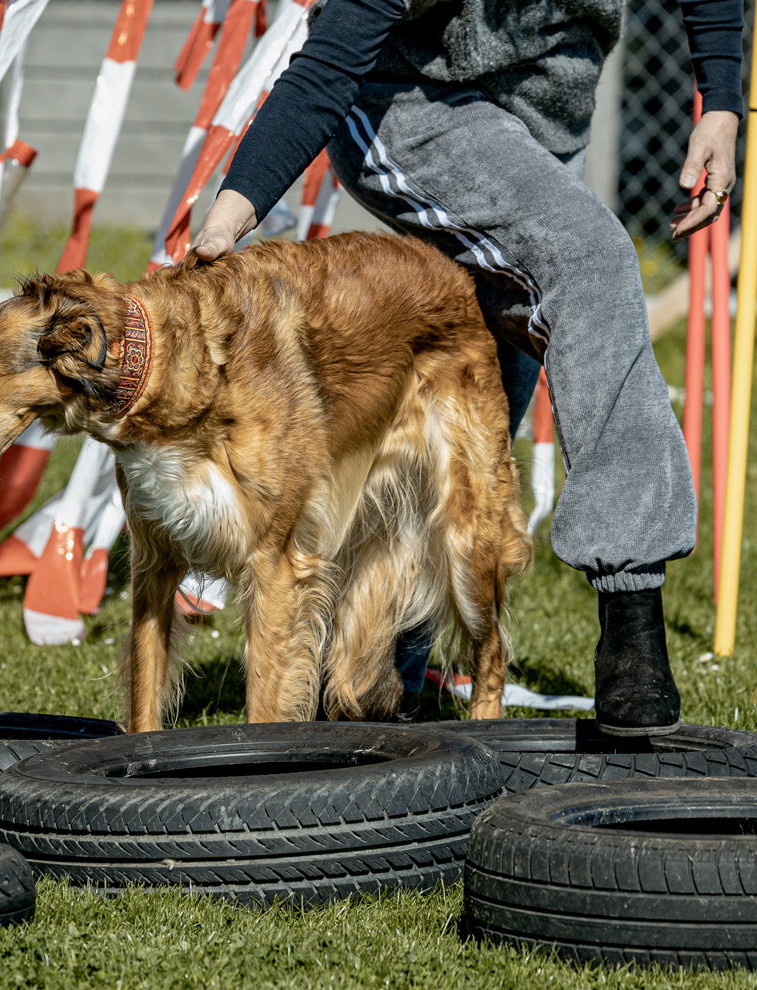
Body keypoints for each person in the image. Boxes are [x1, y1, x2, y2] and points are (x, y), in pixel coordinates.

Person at [191, 0, 744, 736]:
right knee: (590, 260)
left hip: (547, 124)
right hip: (412, 107)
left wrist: (722, 100)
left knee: (480, 395)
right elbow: (327, 68)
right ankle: (632, 612)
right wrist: (230, 216)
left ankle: (372, 669)